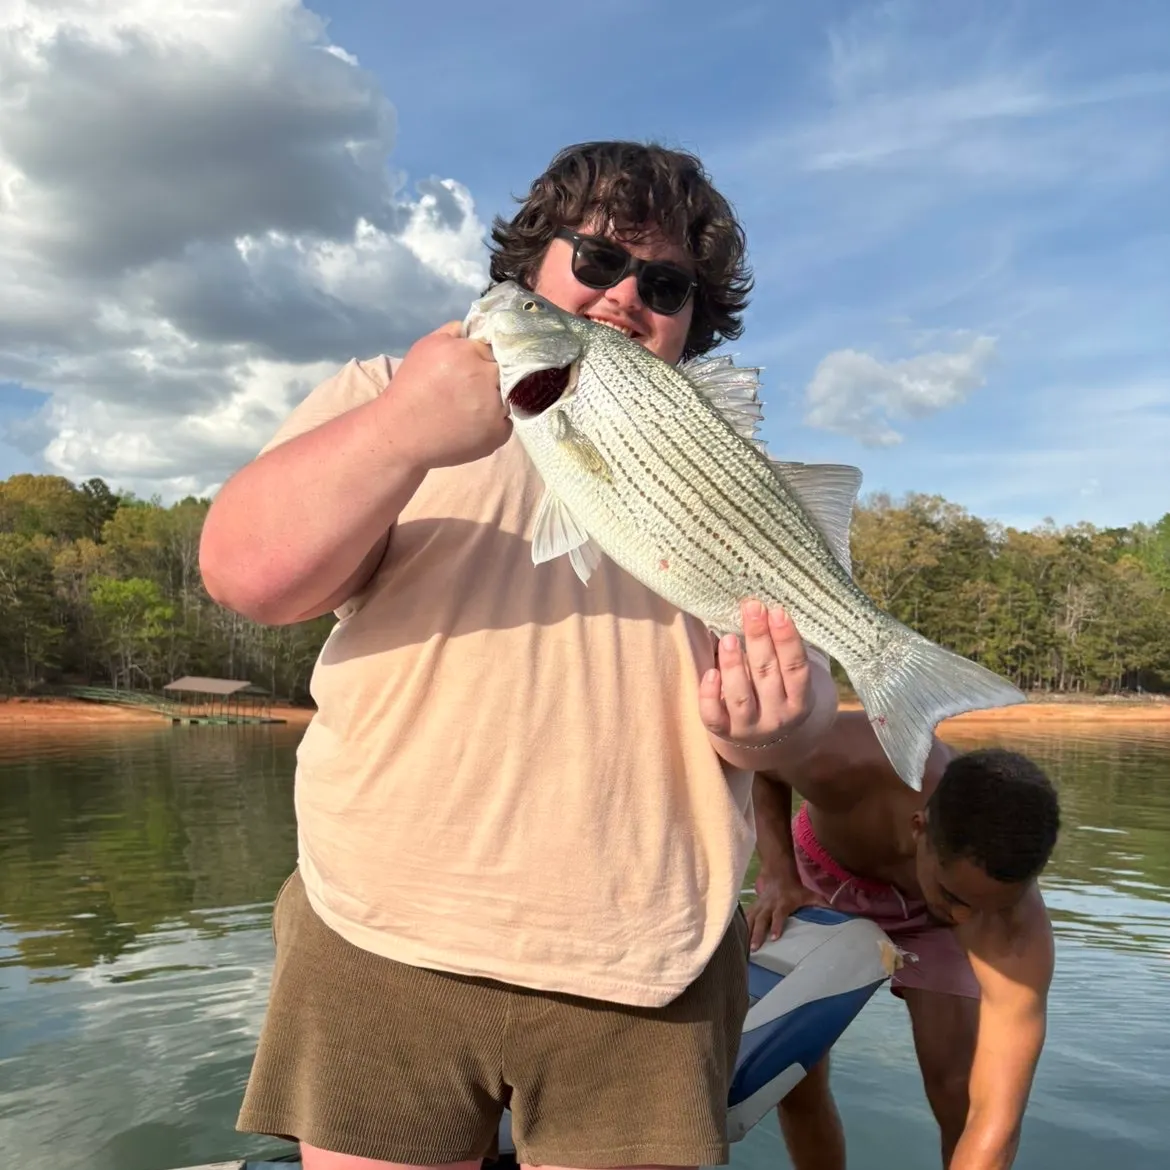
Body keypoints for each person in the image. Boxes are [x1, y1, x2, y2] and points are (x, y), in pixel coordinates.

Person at [199, 140, 841, 1170]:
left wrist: (780, 727)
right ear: (531, 265)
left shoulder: (734, 478)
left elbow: (806, 715)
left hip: (651, 959)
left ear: (692, 320)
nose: (625, 295)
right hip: (380, 930)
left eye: (666, 285)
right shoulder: (382, 392)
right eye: (598, 259)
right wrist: (401, 430)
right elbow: (246, 577)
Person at [748, 712, 1060, 1170]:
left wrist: (970, 907)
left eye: (987, 908)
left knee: (957, 1088)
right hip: (823, 881)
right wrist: (778, 874)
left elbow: (996, 1120)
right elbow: (757, 759)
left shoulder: (1012, 926)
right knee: (795, 1077)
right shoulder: (845, 759)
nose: (964, 920)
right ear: (919, 828)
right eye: (957, 898)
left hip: (928, 921)